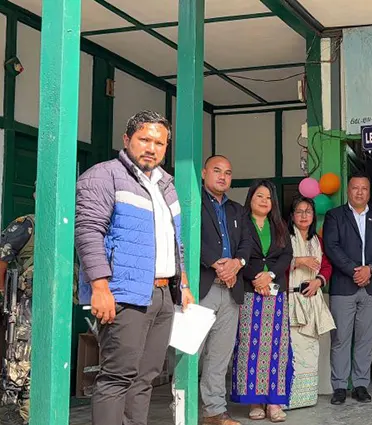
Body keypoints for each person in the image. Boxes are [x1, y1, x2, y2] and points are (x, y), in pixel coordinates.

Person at [75, 110, 195, 425]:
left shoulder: (166, 184)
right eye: (144, 139)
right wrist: (100, 287)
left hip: (163, 294)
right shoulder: (104, 176)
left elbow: (175, 241)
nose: (151, 148)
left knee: (145, 378)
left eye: (159, 143)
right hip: (124, 293)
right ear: (127, 139)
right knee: (117, 377)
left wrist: (182, 284)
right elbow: (88, 232)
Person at [231, 180, 293, 422]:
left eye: (268, 197)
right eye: (259, 196)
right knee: (250, 347)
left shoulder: (279, 225)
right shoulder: (241, 223)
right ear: (251, 198)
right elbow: (238, 254)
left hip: (276, 295)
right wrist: (256, 278)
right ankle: (255, 401)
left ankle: (274, 402)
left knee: (276, 348)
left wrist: (271, 275)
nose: (264, 201)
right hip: (249, 291)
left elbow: (287, 255)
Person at [322, 173, 372, 405]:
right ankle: (340, 386)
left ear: (369, 192)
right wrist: (355, 271)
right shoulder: (335, 216)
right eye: (355, 188)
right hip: (343, 286)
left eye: (364, 188)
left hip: (371, 286)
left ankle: (361, 384)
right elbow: (331, 247)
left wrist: (370, 269)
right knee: (341, 338)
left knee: (366, 339)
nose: (359, 192)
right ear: (348, 190)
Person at [198, 155, 253, 425]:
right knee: (191, 352)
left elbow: (247, 243)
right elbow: (186, 237)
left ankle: (214, 411)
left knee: (220, 356)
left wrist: (236, 263)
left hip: (231, 290)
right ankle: (181, 408)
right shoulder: (192, 201)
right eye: (217, 171)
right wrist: (215, 262)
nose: (223, 177)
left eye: (228, 173)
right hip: (202, 288)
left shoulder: (236, 210)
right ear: (204, 172)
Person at [285, 196, 335, 409]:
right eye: (299, 211)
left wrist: (318, 281)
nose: (304, 215)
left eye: (308, 211)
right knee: (290, 351)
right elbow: (275, 264)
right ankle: (286, 399)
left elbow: (326, 266)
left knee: (310, 351)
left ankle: (305, 398)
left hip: (311, 300)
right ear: (292, 216)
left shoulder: (317, 241)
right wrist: (298, 261)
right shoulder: (284, 238)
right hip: (290, 301)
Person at [0, 207, 35, 423]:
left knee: (36, 371)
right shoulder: (27, 224)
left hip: (52, 308)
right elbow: (1, 258)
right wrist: (3, 292)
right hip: (24, 307)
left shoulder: (69, 225)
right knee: (16, 368)